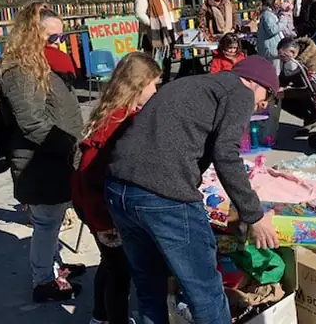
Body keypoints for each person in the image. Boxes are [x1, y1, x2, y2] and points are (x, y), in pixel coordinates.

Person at [105, 55, 281, 324]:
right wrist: (254, 215)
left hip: (119, 190)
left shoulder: (193, 84)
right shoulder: (239, 92)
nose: (263, 104)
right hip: (162, 196)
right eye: (267, 95)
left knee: (149, 284)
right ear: (256, 83)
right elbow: (227, 154)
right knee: (205, 291)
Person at [0, 2, 84, 302]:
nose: (60, 43)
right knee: (46, 222)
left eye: (61, 36)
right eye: (52, 38)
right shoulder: (19, 70)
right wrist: (68, 147)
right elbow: (31, 121)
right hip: (39, 159)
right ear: (33, 36)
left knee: (55, 217)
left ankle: (54, 265)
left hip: (55, 155)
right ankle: (43, 280)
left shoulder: (47, 63)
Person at [73, 53, 162, 324]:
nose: (156, 91)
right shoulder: (121, 122)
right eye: (154, 84)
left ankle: (100, 316)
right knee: (120, 272)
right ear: (138, 85)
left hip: (94, 205)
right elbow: (94, 171)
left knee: (110, 265)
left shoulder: (113, 112)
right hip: (104, 210)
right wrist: (106, 221)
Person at [277, 37, 316, 132]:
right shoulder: (289, 61)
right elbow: (282, 80)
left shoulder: (312, 62)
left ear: (293, 52)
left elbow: (312, 90)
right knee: (278, 98)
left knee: (286, 95)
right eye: (280, 56)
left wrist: (286, 93)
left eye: (283, 56)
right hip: (305, 92)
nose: (281, 59)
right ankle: (310, 118)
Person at [134, 0, 176, 79]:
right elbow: (139, 14)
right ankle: (148, 82)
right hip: (152, 31)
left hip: (165, 30)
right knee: (149, 59)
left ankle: (166, 80)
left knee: (167, 58)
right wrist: (153, 24)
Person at [257, 0, 287, 72]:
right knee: (274, 71)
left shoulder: (267, 14)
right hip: (271, 48)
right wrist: (283, 21)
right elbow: (272, 30)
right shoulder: (268, 15)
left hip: (270, 48)